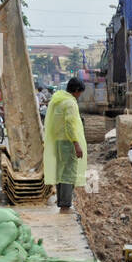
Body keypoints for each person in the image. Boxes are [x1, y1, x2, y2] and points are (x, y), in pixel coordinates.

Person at [43, 77, 87, 214]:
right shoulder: (70, 103)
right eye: (80, 92)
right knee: (68, 173)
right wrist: (76, 144)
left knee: (61, 171)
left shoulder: (57, 101)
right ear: (76, 90)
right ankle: (66, 205)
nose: (80, 95)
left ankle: (62, 202)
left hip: (58, 141)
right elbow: (70, 125)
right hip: (68, 142)